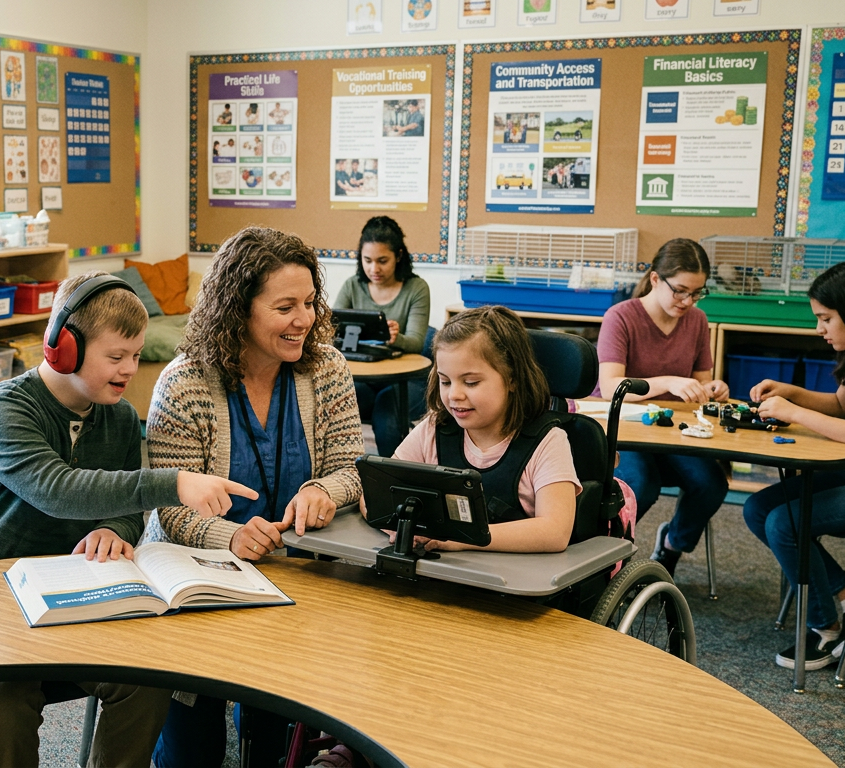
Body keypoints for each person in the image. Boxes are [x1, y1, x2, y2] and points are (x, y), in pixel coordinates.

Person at [0, 272, 258, 767]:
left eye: (135, 356)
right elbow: (56, 490)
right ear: (63, 349)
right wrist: (174, 481)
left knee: (147, 679)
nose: (129, 370)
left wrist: (115, 530)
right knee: (5, 702)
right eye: (116, 357)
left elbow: (123, 506)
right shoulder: (5, 409)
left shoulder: (115, 418)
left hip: (70, 595)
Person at [142, 226, 364, 768]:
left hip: (293, 576)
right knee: (192, 746)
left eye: (310, 302)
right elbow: (171, 507)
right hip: (193, 578)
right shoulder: (185, 383)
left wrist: (323, 490)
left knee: (272, 733)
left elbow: (352, 468)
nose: (305, 320)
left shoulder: (326, 367)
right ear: (239, 308)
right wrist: (232, 536)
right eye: (285, 306)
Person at [743, 261, 845, 670]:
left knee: (786, 522)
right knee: (758, 509)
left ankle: (825, 626)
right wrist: (790, 392)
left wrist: (793, 411)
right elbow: (840, 405)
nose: (820, 329)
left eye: (826, 318)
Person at [373, 305, 580, 552]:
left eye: (471, 382)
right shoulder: (433, 429)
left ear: (512, 378)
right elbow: (375, 496)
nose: (454, 395)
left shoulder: (548, 441)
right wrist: (398, 523)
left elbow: (555, 532)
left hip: (515, 584)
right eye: (445, 381)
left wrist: (459, 538)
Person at [596, 238, 729, 577]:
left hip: (669, 430)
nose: (687, 301)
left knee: (711, 483)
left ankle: (670, 546)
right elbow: (612, 387)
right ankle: (601, 561)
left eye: (696, 293)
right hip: (621, 429)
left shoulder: (697, 320)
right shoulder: (620, 317)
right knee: (641, 486)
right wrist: (668, 381)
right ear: (655, 279)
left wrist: (713, 389)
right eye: (680, 291)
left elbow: (701, 383)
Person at [333, 216, 433, 457]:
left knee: (387, 417)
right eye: (367, 260)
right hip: (364, 377)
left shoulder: (417, 288)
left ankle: (392, 481)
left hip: (405, 380)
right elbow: (331, 328)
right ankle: (346, 474)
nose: (374, 269)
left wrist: (395, 338)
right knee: (335, 407)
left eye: (382, 261)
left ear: (398, 256)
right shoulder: (352, 286)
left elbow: (417, 342)